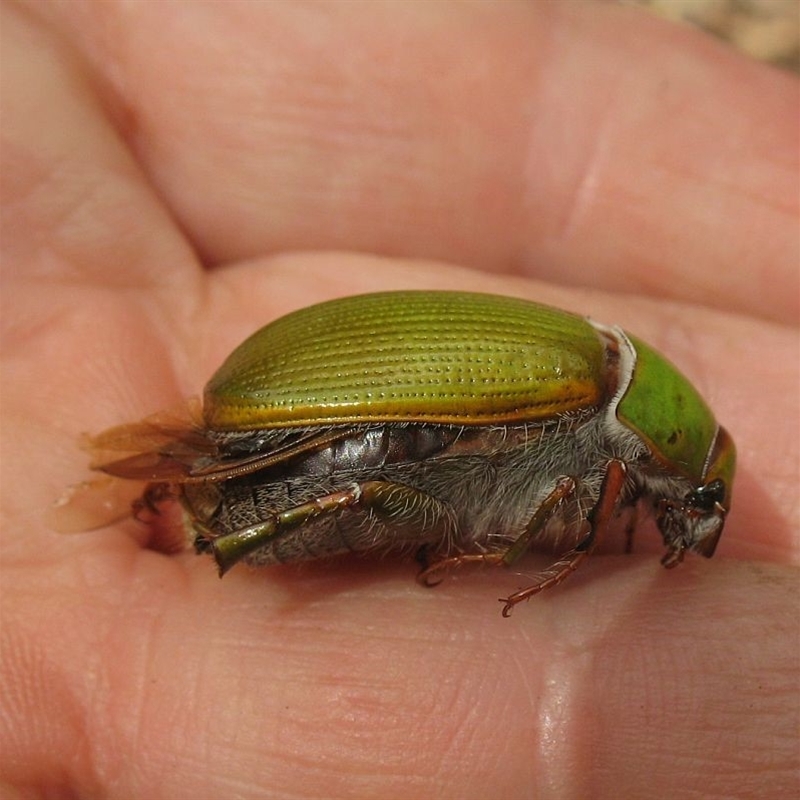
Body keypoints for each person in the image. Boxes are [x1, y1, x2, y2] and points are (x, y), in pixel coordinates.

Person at [1, 3, 797, 798]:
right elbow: (543, 487)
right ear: (660, 439)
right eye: (693, 501)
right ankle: (213, 522)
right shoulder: (578, 388)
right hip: (336, 417)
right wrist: (510, 555)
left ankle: (197, 506)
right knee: (370, 486)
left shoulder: (601, 410)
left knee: (389, 487)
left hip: (346, 411)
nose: (683, 521)